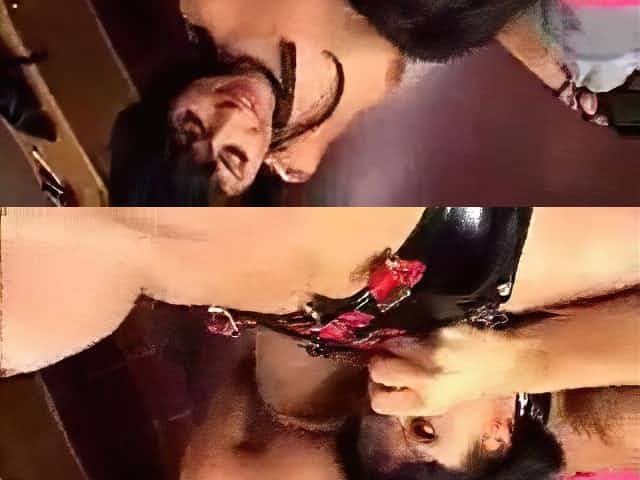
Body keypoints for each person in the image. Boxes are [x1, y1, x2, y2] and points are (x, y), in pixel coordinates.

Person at [109, 0, 404, 205]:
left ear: (167, 100)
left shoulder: (214, 7)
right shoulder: (306, 157)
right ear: (248, 186)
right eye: (232, 158)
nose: (231, 117)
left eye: (192, 126)